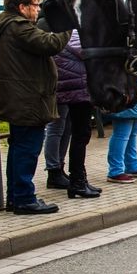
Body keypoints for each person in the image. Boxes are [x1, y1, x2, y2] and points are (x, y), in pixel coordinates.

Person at [0, 0, 70, 214]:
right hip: (27, 99)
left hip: (17, 97)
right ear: (22, 7)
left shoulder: (4, 24)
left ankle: (17, 196)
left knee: (18, 148)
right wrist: (66, 25)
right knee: (27, 150)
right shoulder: (18, 26)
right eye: (34, 5)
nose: (38, 9)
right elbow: (51, 44)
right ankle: (24, 198)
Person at [42, 30, 101, 199]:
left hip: (69, 90)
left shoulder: (61, 34)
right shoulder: (73, 34)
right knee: (79, 135)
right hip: (78, 91)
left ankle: (76, 178)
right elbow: (88, 52)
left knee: (70, 133)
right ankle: (77, 182)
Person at [105, 92, 137, 184]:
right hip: (125, 96)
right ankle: (115, 171)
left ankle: (132, 166)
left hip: (135, 96)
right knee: (122, 134)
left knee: (132, 133)